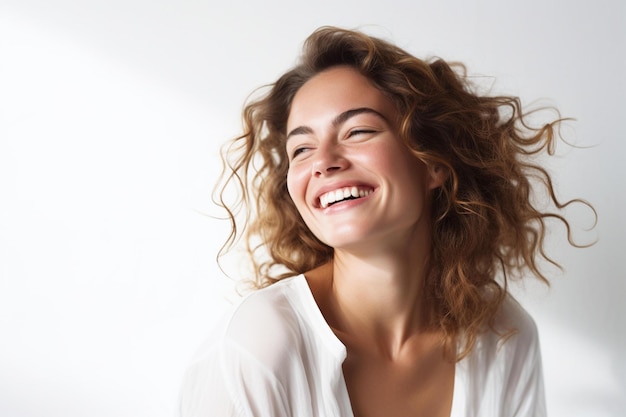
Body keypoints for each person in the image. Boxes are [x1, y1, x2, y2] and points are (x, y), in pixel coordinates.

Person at [179, 26, 592, 417]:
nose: (323, 162)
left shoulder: (503, 336)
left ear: (434, 163)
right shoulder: (261, 344)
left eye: (358, 131)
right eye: (301, 149)